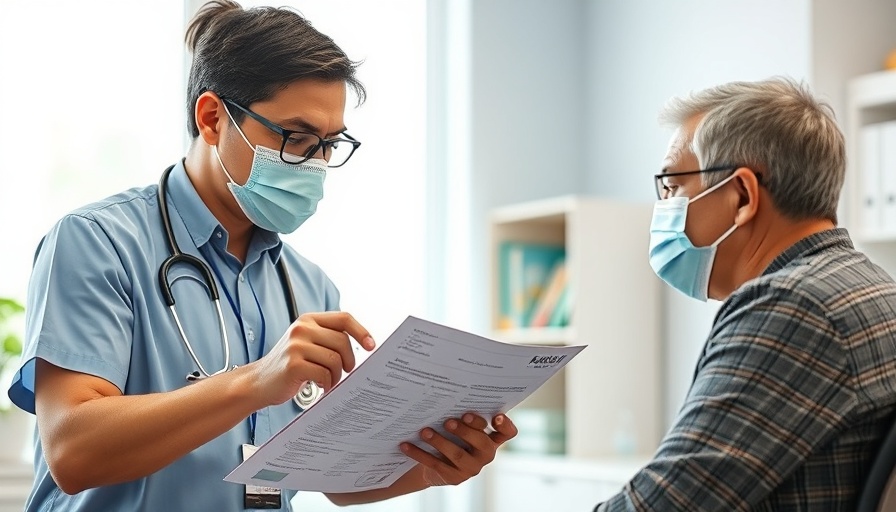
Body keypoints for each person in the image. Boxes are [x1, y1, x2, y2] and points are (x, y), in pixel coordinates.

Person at [8, 1, 516, 510]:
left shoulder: (308, 286)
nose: (314, 163)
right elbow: (73, 452)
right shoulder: (97, 243)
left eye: (328, 144)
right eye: (295, 137)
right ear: (212, 118)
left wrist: (426, 469)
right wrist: (255, 381)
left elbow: (333, 479)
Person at [596, 77, 896, 510]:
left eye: (673, 185)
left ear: (741, 195)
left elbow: (662, 505)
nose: (665, 206)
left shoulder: (794, 308)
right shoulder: (874, 291)